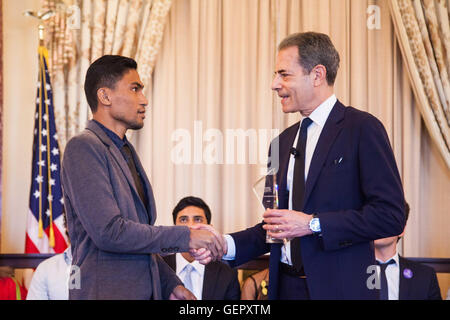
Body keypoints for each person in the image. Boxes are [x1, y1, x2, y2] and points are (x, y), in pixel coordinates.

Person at [193, 32, 406, 300]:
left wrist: (314, 224)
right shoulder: (278, 145)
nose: (274, 84)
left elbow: (390, 215)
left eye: (284, 74)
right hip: (283, 290)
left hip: (340, 291)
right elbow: (275, 227)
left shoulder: (362, 129)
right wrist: (225, 244)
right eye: (275, 74)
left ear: (317, 75)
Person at [61, 55, 224, 300]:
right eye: (135, 89)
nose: (144, 100)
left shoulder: (124, 150)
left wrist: (171, 285)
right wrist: (187, 236)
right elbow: (110, 232)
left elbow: (139, 239)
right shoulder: (83, 147)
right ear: (105, 96)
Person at [162, 196, 240, 300]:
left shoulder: (227, 273)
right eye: (183, 220)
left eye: (198, 219)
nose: (191, 226)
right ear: (174, 228)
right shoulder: (159, 268)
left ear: (210, 228)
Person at [374, 203, 442, 300]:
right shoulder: (351, 272)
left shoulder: (425, 276)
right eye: (375, 219)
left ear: (402, 229)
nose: (380, 225)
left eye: (387, 219)